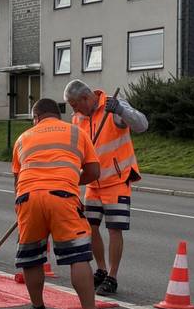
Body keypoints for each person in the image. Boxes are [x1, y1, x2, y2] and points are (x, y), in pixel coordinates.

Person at [11, 97, 115, 309]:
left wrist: (26, 202)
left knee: (32, 257)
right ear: (57, 115)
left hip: (28, 197)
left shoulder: (23, 138)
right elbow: (93, 171)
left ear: (35, 118)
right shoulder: (76, 133)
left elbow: (17, 181)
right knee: (77, 256)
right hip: (63, 196)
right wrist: (68, 178)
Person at [63, 79, 148, 295]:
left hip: (117, 180)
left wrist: (120, 110)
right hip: (93, 181)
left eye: (74, 104)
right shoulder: (77, 118)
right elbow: (76, 149)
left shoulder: (114, 106)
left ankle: (112, 276)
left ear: (85, 98)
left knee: (114, 229)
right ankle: (100, 269)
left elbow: (142, 125)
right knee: (90, 227)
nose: (74, 110)